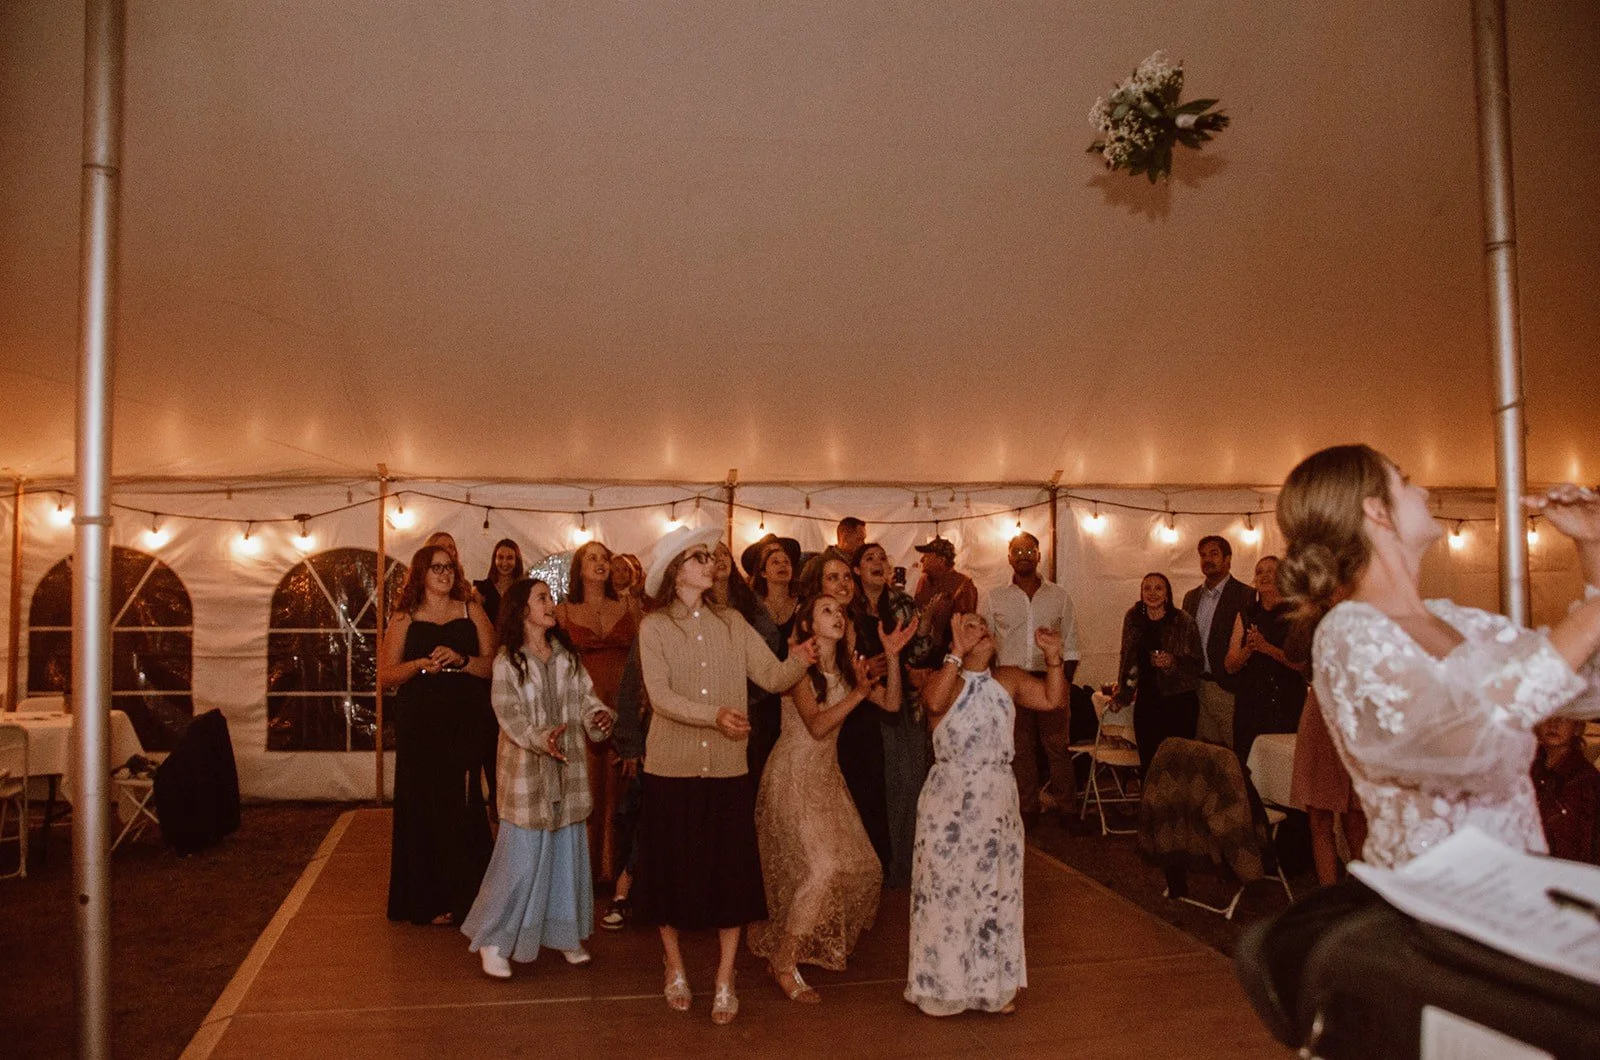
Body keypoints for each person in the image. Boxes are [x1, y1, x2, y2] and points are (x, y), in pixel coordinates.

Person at [1278, 446, 1600, 869]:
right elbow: (1473, 741)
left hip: (1510, 884)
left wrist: (1592, 545)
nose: (1425, 491)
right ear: (1376, 510)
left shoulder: (1458, 620)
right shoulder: (1348, 633)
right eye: (1407, 481)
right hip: (1434, 903)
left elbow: (1586, 688)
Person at [632, 526, 816, 1026]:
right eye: (698, 557)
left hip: (728, 770)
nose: (710, 564)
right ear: (676, 572)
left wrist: (801, 656)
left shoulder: (733, 621)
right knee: (670, 873)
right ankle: (673, 967)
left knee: (729, 877)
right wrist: (713, 715)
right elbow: (662, 698)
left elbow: (773, 678)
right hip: (670, 768)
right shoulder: (654, 629)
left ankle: (724, 977)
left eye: (710, 557)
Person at [748, 593, 916, 1002]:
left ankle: (794, 937)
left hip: (826, 777)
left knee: (865, 867)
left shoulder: (845, 666)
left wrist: (891, 657)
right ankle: (784, 962)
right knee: (821, 870)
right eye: (826, 610)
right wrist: (858, 692)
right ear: (807, 625)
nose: (838, 615)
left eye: (841, 611)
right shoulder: (797, 671)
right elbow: (819, 726)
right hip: (793, 774)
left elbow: (892, 704)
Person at [906, 613, 1066, 1017]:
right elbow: (934, 704)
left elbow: (1052, 700)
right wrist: (956, 653)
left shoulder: (1007, 679)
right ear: (954, 637)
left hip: (996, 797)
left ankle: (990, 988)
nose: (983, 629)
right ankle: (940, 988)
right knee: (946, 890)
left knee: (994, 889)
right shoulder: (944, 680)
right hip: (951, 798)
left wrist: (1054, 660)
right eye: (971, 625)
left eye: (985, 624)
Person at [461, 579, 616, 978]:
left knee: (566, 856)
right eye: (542, 598)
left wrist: (597, 717)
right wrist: (539, 738)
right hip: (526, 780)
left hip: (568, 775)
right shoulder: (507, 661)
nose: (552, 604)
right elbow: (509, 715)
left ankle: (564, 933)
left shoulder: (567, 657)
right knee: (521, 861)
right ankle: (494, 940)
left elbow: (586, 699)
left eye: (551, 598)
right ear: (521, 609)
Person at [379, 545, 495, 926]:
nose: (445, 574)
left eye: (450, 567)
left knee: (462, 803)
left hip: (464, 717)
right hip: (420, 719)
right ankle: (427, 897)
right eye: (436, 568)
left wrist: (461, 661)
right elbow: (385, 675)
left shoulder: (470, 609)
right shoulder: (404, 616)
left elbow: (493, 665)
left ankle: (468, 895)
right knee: (423, 803)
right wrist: (419, 664)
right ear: (421, 574)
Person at [555, 540, 641, 886]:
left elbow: (644, 656)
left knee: (619, 787)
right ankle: (583, 870)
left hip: (622, 703)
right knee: (586, 785)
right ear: (579, 568)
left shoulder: (629, 606)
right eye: (592, 558)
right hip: (582, 705)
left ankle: (617, 869)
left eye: (605, 557)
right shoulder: (562, 612)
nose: (601, 563)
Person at [981, 532, 1081, 820]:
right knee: (1020, 750)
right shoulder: (994, 597)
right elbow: (984, 643)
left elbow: (1071, 644)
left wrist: (1064, 684)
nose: (1024, 555)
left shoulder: (1059, 596)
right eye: (1017, 551)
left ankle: (1068, 810)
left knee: (1058, 749)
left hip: (1050, 678)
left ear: (1039, 556)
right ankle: (1027, 808)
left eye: (1029, 551)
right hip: (1011, 683)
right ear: (1009, 557)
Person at [851, 542, 932, 888]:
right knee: (877, 787)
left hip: (904, 703)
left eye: (882, 557)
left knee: (909, 783)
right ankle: (875, 866)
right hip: (863, 710)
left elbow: (922, 653)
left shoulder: (901, 603)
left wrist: (923, 636)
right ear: (856, 570)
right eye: (869, 558)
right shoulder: (849, 609)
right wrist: (863, 667)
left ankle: (905, 864)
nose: (878, 562)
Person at [1223, 554, 1308, 767]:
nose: (1264, 576)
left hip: (1285, 703)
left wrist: (1267, 648)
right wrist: (1249, 649)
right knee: (1247, 765)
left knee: (1282, 767)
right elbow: (1230, 665)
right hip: (1250, 704)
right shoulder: (1246, 614)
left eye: (1270, 571)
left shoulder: (1296, 615)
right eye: (1259, 572)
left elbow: (1304, 665)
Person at [1116, 573, 1205, 773]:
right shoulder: (1133, 618)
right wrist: (1124, 692)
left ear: (1167, 594)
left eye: (1158, 588)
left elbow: (1197, 664)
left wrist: (1173, 662)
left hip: (1179, 701)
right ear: (1141, 592)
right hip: (1147, 701)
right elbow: (1127, 658)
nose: (1152, 593)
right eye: (1147, 588)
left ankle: (1177, 804)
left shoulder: (1183, 621)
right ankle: (1150, 804)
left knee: (1178, 764)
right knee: (1149, 763)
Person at [1181, 536, 1255, 749]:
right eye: (1203, 555)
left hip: (1229, 689)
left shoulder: (1246, 595)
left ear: (1228, 559)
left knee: (1233, 754)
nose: (1207, 560)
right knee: (1204, 754)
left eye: (1214, 554)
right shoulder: (1191, 597)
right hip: (1197, 687)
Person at [1289, 688, 1368, 886]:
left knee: (1355, 819)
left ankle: (1363, 898)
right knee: (1319, 818)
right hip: (1321, 712)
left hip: (1358, 713)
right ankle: (1330, 899)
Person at [1531, 716, 1600, 864]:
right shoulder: (1525, 770)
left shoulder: (1587, 781)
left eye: (1564, 719)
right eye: (1548, 716)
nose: (1553, 724)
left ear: (1578, 727)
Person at [909, 537, 978, 674]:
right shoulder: (923, 581)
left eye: (927, 556)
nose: (922, 560)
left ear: (941, 560)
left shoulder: (962, 584)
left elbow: (966, 626)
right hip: (920, 651)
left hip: (946, 655)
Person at [474, 538, 525, 629]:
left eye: (509, 558)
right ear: (494, 559)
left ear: (517, 561)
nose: (504, 563)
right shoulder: (481, 590)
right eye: (500, 557)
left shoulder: (523, 589)